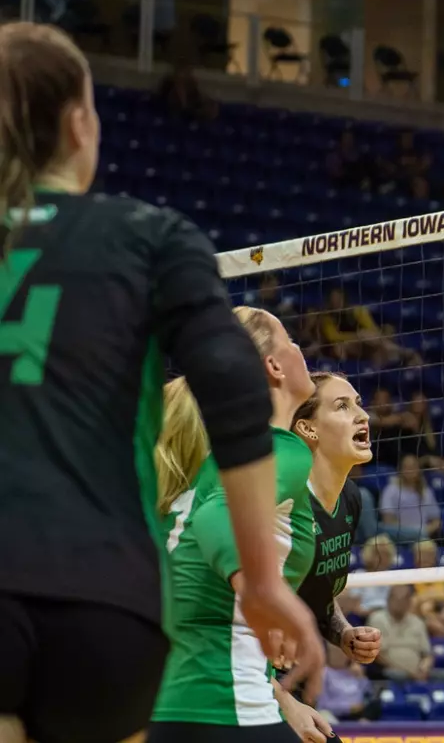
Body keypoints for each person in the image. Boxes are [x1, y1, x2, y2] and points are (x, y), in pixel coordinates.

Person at [0, 24, 319, 743]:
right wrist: (264, 582)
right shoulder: (150, 233)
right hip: (106, 605)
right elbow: (234, 390)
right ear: (81, 125)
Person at [148, 306, 324, 741]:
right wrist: (261, 592)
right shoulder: (278, 450)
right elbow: (215, 516)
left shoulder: (213, 462)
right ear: (274, 366)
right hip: (221, 707)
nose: (304, 353)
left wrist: (283, 700)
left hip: (171, 702)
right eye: (294, 344)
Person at [292, 372, 381, 664]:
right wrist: (281, 697)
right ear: (308, 428)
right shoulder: (283, 503)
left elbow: (318, 597)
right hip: (250, 674)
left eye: (358, 403)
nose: (363, 415)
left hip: (299, 671)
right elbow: (238, 610)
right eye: (342, 406)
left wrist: (343, 633)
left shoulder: (350, 499)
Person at [366, 585, 444, 684]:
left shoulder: (417, 622)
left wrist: (424, 669)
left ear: (410, 602)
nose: (400, 604)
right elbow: (378, 656)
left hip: (418, 672)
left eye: (405, 599)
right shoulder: (377, 619)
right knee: (397, 675)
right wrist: (409, 673)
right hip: (392, 670)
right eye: (397, 599)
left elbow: (427, 654)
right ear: (388, 600)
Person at [378, 453, 442, 542]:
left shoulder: (426, 491)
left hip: (422, 538)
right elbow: (388, 521)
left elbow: (436, 521)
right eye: (406, 467)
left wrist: (425, 531)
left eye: (413, 467)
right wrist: (411, 533)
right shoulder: (391, 490)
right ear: (400, 469)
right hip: (398, 538)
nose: (410, 471)